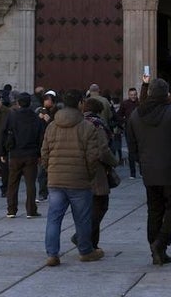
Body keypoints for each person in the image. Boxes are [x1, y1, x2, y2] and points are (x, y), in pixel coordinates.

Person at [39, 89, 112, 266]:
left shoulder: (52, 126)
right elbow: (92, 155)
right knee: (82, 218)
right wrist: (89, 174)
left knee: (54, 218)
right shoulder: (87, 126)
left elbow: (44, 152)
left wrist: (50, 169)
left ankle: (52, 254)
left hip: (56, 179)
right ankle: (85, 251)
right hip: (79, 180)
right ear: (80, 103)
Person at [127, 77, 171, 266]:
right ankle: (161, 242)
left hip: (149, 170)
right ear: (166, 94)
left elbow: (131, 144)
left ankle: (157, 250)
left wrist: (142, 161)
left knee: (154, 210)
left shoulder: (136, 115)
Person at [78, 96, 121, 253]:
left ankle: (91, 243)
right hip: (96, 169)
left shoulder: (77, 123)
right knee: (100, 205)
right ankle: (83, 237)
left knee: (88, 208)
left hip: (79, 168)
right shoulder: (97, 124)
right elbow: (103, 149)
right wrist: (114, 162)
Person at [1, 91, 44, 218]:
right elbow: (41, 136)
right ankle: (31, 210)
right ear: (30, 103)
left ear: (18, 103)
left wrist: (2, 152)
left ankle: (11, 209)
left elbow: (2, 134)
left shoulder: (11, 116)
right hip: (31, 154)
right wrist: (40, 153)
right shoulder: (35, 118)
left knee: (12, 182)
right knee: (30, 183)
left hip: (15, 153)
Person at [117, 86, 141, 178]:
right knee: (131, 151)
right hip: (129, 129)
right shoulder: (125, 104)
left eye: (134, 95)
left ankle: (142, 172)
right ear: (128, 95)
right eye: (131, 95)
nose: (133, 96)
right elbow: (118, 115)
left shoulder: (140, 103)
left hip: (139, 129)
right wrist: (124, 122)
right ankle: (133, 173)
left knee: (140, 150)